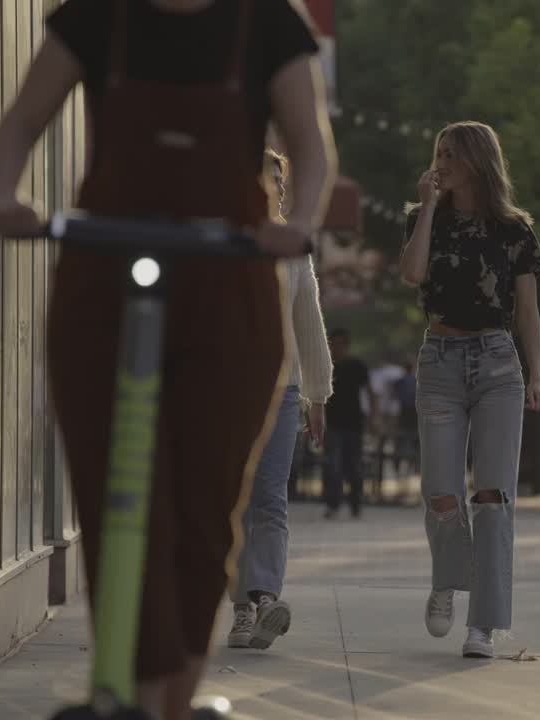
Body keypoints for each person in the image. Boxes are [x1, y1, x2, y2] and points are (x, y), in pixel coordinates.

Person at [0, 1, 336, 717]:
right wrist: (3, 196)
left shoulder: (267, 22)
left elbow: (310, 143)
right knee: (117, 499)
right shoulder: (96, 17)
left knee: (205, 510)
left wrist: (296, 224)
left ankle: (167, 698)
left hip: (228, 288)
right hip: (103, 282)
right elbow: (22, 120)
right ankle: (137, 694)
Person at [398, 121, 540, 659]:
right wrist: (430, 206)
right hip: (439, 361)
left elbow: (527, 309)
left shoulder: (514, 230)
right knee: (441, 491)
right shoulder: (423, 219)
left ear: (476, 161)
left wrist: (536, 374)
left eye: (450, 155)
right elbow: (412, 275)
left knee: (492, 496)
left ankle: (483, 624)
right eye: (436, 152)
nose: (440, 163)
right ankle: (447, 578)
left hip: (496, 366)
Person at [227, 148, 333, 652]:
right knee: (236, 503)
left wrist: (319, 394)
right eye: (265, 179)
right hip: (231, 390)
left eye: (280, 181)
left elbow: (308, 322)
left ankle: (266, 597)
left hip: (284, 391)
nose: (275, 190)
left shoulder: (294, 249)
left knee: (271, 499)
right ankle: (241, 610)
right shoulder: (223, 242)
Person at [322, 328, 374, 518]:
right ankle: (333, 504)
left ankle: (355, 503)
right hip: (332, 424)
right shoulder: (326, 366)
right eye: (333, 344)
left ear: (346, 345)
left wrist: (373, 418)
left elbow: (370, 392)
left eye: (339, 344)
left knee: (354, 467)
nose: (336, 348)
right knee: (333, 466)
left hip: (354, 423)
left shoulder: (356, 365)